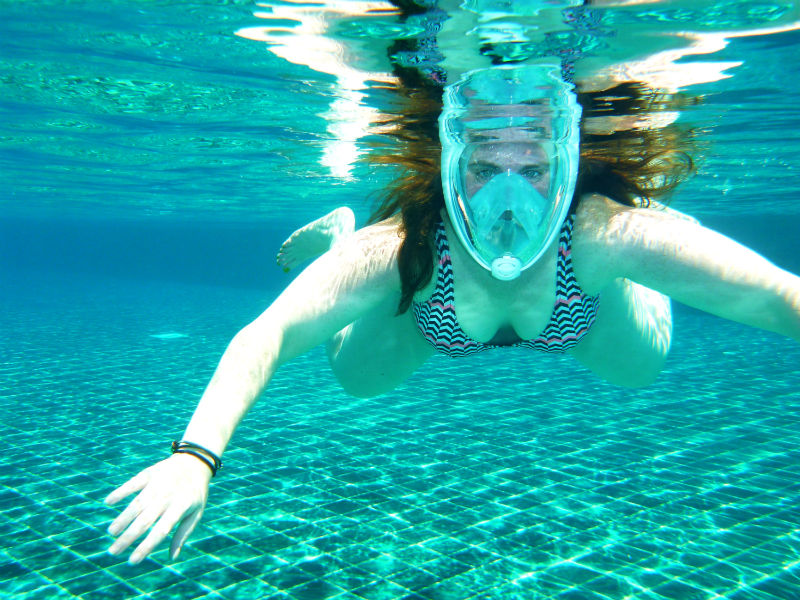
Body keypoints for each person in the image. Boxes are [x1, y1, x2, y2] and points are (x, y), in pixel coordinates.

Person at [104, 63, 800, 565]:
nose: (508, 199)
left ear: (563, 166)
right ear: (447, 165)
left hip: (584, 303)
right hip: (430, 313)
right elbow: (271, 334)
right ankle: (335, 241)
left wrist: (647, 244)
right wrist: (195, 458)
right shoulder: (405, 247)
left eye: (531, 170)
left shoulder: (597, 233)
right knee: (357, 381)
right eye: (483, 167)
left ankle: (664, 237)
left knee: (640, 368)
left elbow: (774, 294)